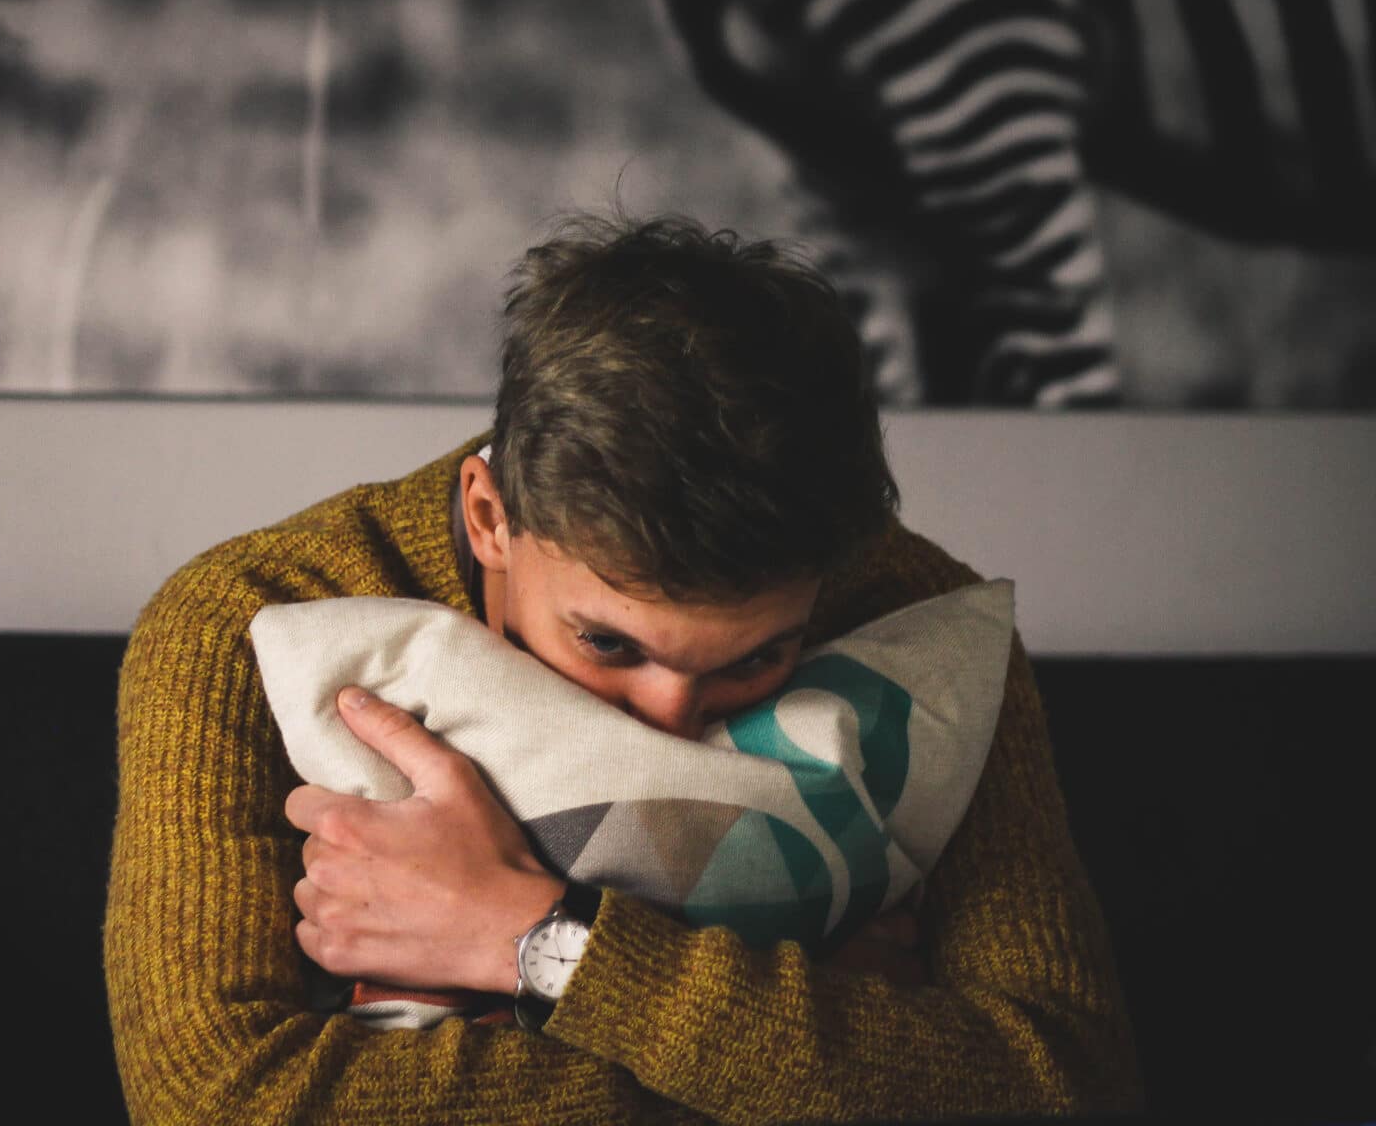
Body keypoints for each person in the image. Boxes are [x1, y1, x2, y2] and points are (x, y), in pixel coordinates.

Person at [104, 212, 1141, 1123]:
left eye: (756, 658)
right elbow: (213, 1103)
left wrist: (529, 940)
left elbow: (1063, 1085)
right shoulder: (242, 618)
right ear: (488, 516)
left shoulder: (919, 624)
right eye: (608, 643)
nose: (668, 718)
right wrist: (809, 1067)